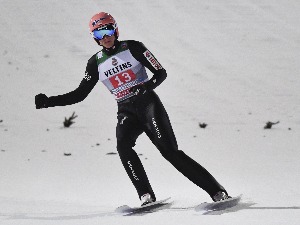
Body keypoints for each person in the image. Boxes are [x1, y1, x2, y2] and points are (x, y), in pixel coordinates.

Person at [35, 12, 230, 206]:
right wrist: (49, 101)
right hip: (126, 110)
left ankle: (217, 191)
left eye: (108, 30)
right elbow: (79, 94)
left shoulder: (133, 47)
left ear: (116, 29)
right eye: (99, 34)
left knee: (170, 152)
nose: (105, 37)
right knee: (123, 146)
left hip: (148, 105)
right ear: (94, 38)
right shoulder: (95, 63)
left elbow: (161, 73)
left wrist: (147, 86)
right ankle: (145, 195)